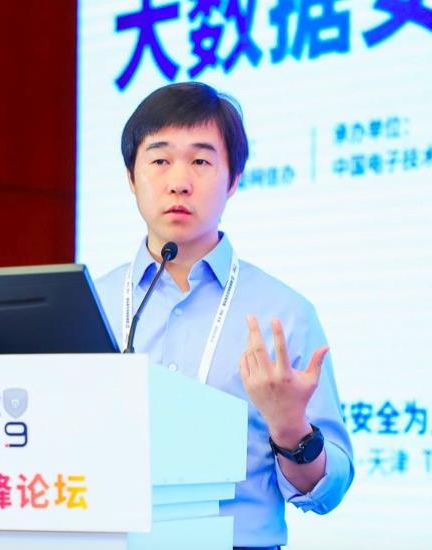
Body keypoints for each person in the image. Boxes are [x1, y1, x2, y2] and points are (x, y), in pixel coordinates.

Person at [95, 82, 353, 549]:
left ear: (233, 180)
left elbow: (328, 491)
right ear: (131, 177)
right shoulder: (96, 303)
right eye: (159, 160)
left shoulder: (285, 314)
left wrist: (291, 428)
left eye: (200, 161)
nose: (179, 181)